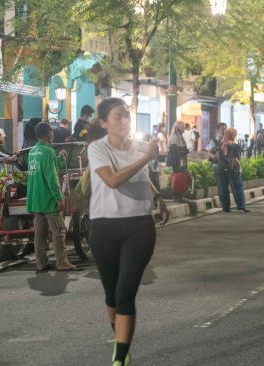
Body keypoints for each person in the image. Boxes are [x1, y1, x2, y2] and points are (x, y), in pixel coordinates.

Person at [87, 97, 167, 366]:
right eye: (118, 116)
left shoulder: (141, 147)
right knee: (111, 294)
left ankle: (120, 358)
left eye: (126, 115)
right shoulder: (97, 149)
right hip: (103, 227)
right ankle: (119, 336)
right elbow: (111, 180)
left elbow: (142, 177)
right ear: (103, 123)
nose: (124, 121)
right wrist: (145, 158)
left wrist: (158, 196)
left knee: (124, 294)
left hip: (139, 226)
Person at [26, 122, 80, 272]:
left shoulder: (33, 151)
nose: (53, 133)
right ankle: (62, 263)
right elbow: (51, 177)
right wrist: (59, 197)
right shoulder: (47, 151)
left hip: (36, 199)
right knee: (59, 231)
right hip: (48, 199)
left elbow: (47, 167)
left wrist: (60, 159)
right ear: (48, 133)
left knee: (40, 234)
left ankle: (41, 263)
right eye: (51, 131)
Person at [217, 128, 249, 212]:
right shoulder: (235, 145)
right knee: (238, 186)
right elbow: (237, 158)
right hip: (232, 169)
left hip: (221, 168)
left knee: (223, 188)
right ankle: (241, 205)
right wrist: (240, 167)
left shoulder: (220, 143)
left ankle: (226, 207)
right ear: (233, 135)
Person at [167, 121, 189, 202]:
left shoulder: (180, 136)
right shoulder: (174, 137)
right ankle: (176, 196)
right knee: (177, 179)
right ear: (178, 127)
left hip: (182, 161)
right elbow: (175, 152)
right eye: (182, 126)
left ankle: (179, 196)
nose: (184, 128)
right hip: (177, 162)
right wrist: (184, 151)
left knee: (181, 178)